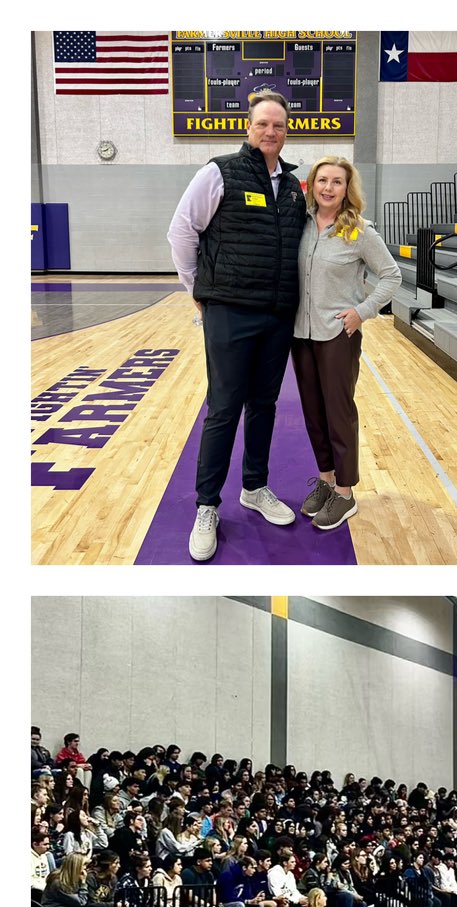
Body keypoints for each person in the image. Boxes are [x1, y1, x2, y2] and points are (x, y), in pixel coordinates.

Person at [167, 90, 307, 561]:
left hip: (276, 314)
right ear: (248, 127)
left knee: (264, 404)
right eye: (263, 124)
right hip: (229, 309)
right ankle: (207, 505)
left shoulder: (292, 186)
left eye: (279, 126)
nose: (271, 132)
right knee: (224, 408)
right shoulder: (219, 171)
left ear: (287, 132)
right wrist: (199, 291)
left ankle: (255, 487)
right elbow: (182, 231)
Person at [292, 156, 402, 530]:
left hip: (338, 334)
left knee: (339, 413)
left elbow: (392, 275)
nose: (328, 187)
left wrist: (363, 310)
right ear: (312, 184)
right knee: (313, 412)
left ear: (347, 188)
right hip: (300, 334)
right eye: (322, 180)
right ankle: (325, 481)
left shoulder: (359, 232)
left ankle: (345, 492)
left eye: (336, 182)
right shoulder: (301, 225)